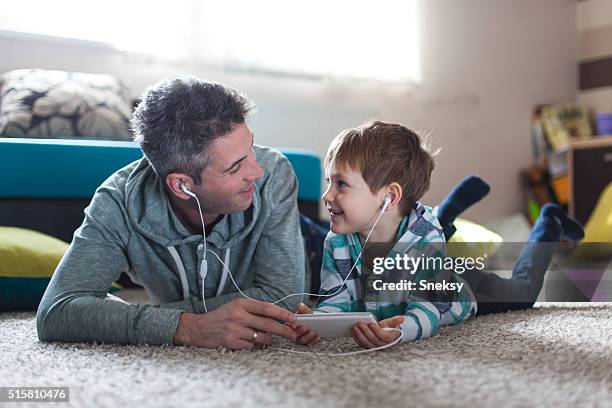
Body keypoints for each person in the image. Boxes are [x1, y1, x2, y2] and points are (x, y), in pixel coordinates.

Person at [36, 76, 304, 350]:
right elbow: (55, 312)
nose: (256, 172)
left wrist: (162, 311)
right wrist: (188, 327)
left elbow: (285, 297)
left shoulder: (273, 175)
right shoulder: (117, 201)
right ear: (181, 185)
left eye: (251, 149)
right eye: (235, 168)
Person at [295, 120, 584, 349]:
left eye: (341, 184)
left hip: (457, 290)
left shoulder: (425, 240)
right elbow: (336, 297)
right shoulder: (337, 239)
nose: (326, 195)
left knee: (522, 293)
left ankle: (550, 222)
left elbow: (429, 310)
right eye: (328, 181)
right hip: (413, 235)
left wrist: (402, 330)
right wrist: (320, 321)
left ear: (389, 197)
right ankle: (450, 208)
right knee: (423, 229)